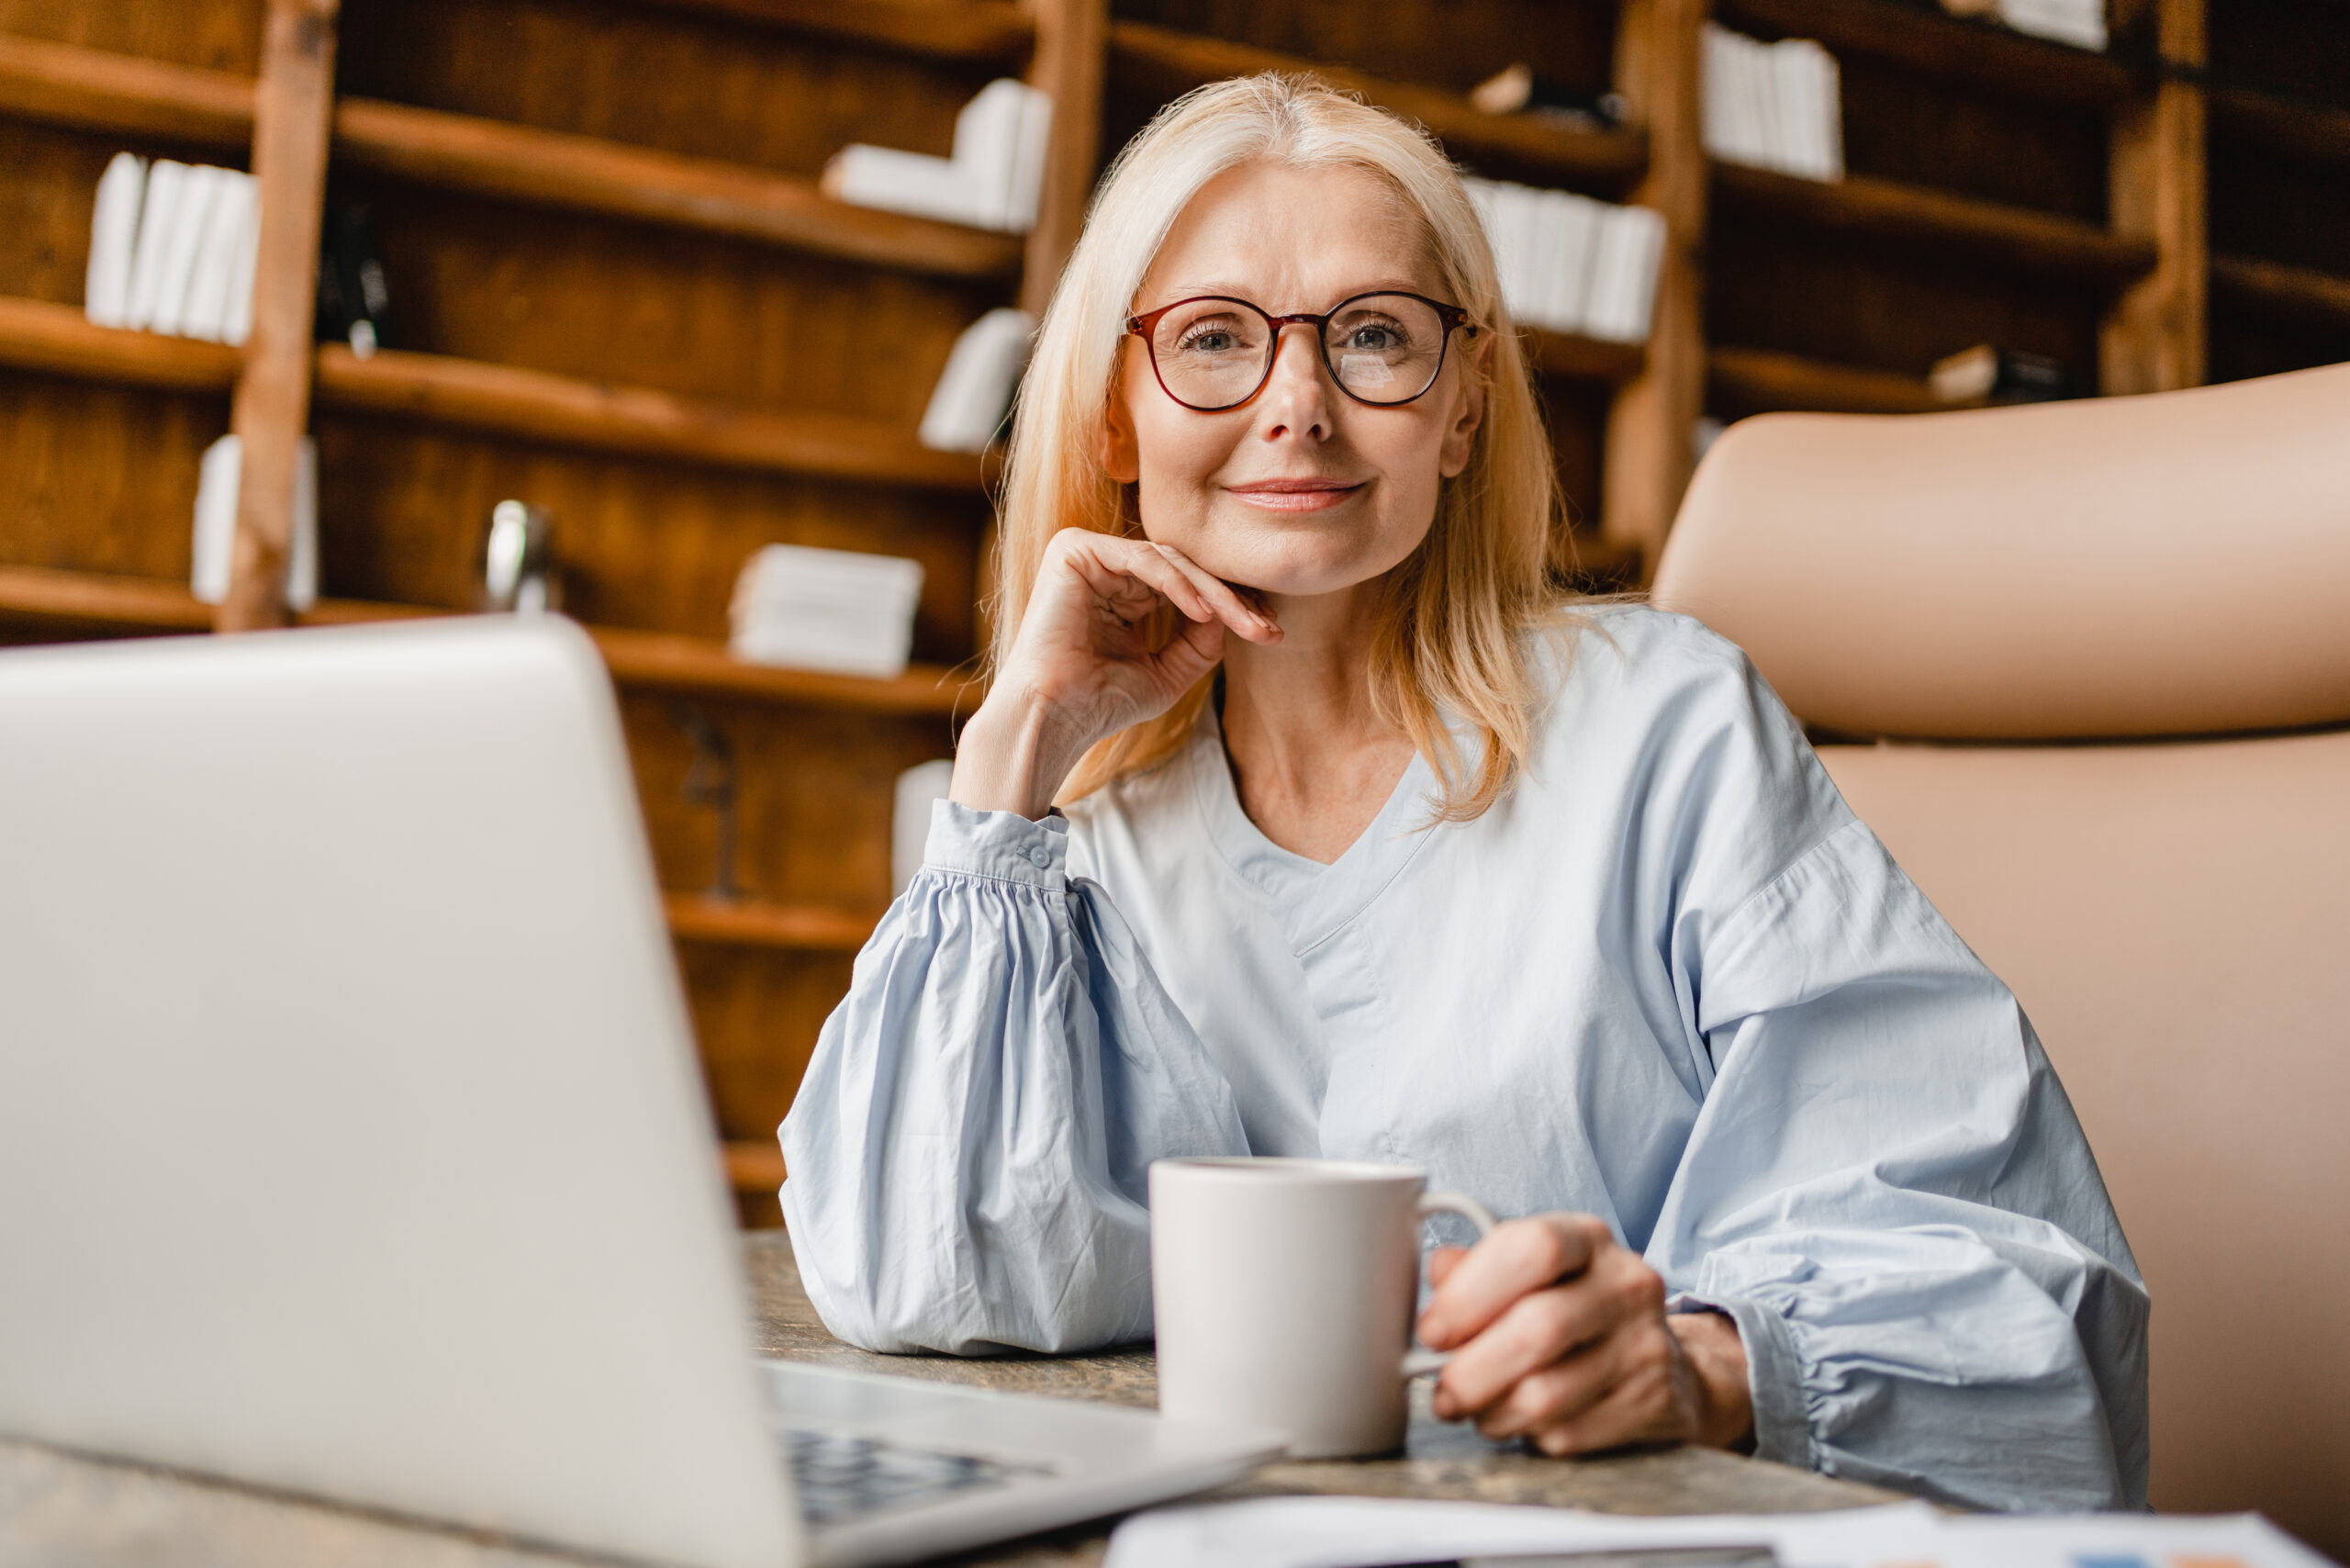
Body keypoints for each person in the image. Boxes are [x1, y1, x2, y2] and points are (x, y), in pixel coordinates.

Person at [780, 75, 2147, 1512]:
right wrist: (1015, 754)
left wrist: (1707, 1367)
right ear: (1116, 423)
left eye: (1374, 336)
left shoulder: (1663, 729)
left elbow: (2012, 1272)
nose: (1296, 406)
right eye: (1211, 341)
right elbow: (915, 1268)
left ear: (1464, 410)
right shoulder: (1070, 839)